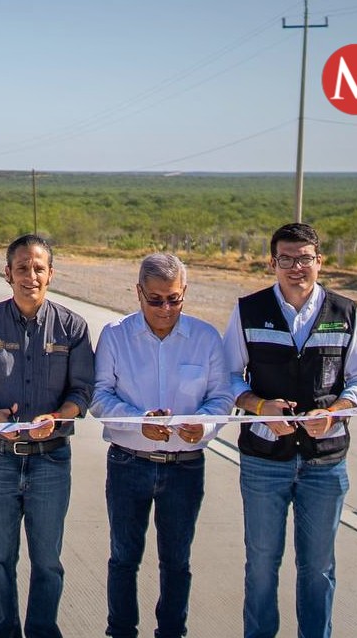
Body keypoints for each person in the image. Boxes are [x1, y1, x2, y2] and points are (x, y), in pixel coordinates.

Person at [223, 222, 357, 638]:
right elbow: (226, 378)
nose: (296, 267)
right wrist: (259, 406)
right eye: (286, 259)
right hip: (263, 462)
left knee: (318, 569)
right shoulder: (248, 310)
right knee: (260, 567)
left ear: (319, 262)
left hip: (324, 464)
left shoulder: (345, 312)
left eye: (305, 258)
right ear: (272, 263)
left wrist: (337, 411)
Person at [89, 253, 234, 638]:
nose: (165, 308)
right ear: (138, 293)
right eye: (155, 299)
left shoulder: (205, 338)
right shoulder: (115, 336)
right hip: (128, 463)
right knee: (123, 558)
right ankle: (120, 631)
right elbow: (99, 398)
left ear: (184, 293)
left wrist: (201, 426)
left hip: (185, 467)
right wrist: (139, 421)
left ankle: (172, 631)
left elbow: (221, 399)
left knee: (177, 561)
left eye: (174, 298)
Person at [0, 233, 94, 638]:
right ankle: (2, 631)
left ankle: (42, 631)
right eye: (22, 268)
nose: (30, 275)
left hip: (51, 461)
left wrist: (59, 416)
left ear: (51, 274)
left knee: (47, 561)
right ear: (7, 273)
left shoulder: (73, 328)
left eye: (38, 268)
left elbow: (82, 392)